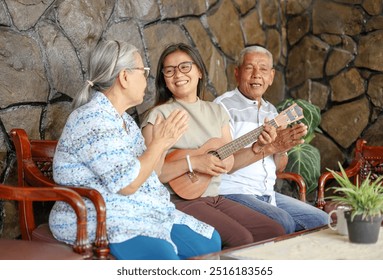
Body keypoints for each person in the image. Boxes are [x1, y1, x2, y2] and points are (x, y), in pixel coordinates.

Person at [48, 40, 222, 260]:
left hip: (139, 208)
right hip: (100, 216)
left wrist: (163, 143)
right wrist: (158, 144)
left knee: (210, 241)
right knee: (164, 257)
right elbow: (127, 184)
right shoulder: (91, 118)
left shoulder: (126, 122)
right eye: (143, 71)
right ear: (124, 77)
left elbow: (153, 172)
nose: (146, 79)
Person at [141, 43, 286, 249]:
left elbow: (229, 162)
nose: (177, 74)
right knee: (241, 239)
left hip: (214, 198)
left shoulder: (217, 112)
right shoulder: (158, 116)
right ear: (163, 78)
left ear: (199, 71)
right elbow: (148, 175)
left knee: (274, 231)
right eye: (169, 70)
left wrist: (258, 147)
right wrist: (194, 163)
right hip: (178, 200)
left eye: (185, 67)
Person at [213, 45, 328, 234]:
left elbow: (279, 167)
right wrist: (265, 147)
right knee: (283, 222)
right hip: (233, 192)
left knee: (321, 220)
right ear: (237, 72)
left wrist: (282, 147)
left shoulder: (272, 111)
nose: (256, 74)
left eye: (263, 69)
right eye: (249, 68)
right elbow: (226, 163)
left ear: (271, 76)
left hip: (267, 193)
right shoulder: (223, 106)